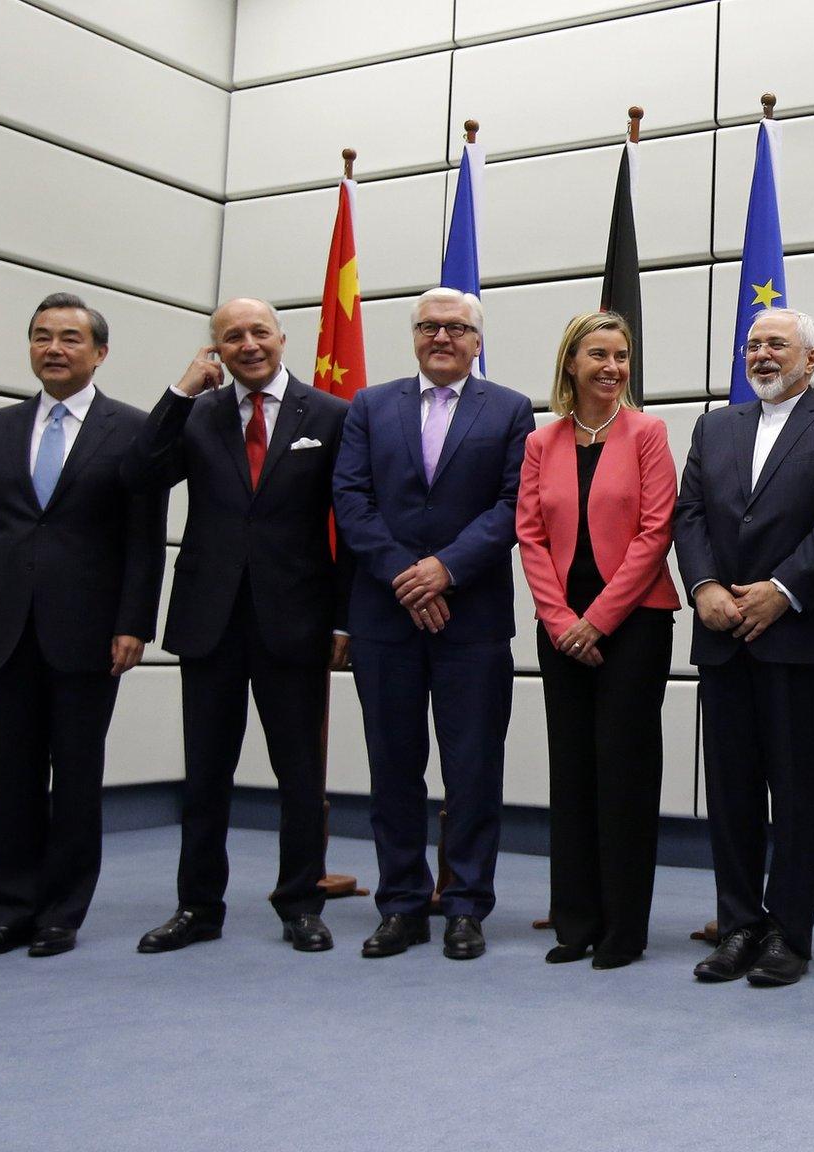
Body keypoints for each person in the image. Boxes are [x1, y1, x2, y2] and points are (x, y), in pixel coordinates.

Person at [125, 298, 352, 955]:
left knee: (300, 776)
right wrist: (177, 391)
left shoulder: (332, 416)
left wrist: (344, 619)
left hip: (297, 621)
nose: (248, 344)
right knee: (205, 774)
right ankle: (198, 907)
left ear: (283, 337)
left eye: (259, 332)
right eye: (232, 337)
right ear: (216, 349)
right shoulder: (197, 414)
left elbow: (351, 527)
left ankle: (300, 904)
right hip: (209, 620)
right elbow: (138, 475)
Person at [0, 292, 166, 958]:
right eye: (42, 337)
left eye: (70, 338)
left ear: (99, 352)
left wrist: (134, 622)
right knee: (11, 774)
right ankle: (11, 910)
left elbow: (144, 539)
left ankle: (60, 913)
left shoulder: (131, 430)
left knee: (75, 774)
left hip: (90, 629)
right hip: (4, 624)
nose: (53, 349)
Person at [331, 286, 535, 961]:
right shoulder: (369, 405)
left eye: (455, 328)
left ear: (478, 340)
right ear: (414, 335)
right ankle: (401, 904)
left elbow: (514, 504)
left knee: (473, 768)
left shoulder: (507, 410)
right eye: (428, 326)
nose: (441, 337)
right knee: (394, 768)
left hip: (470, 617)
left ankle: (467, 905)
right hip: (385, 616)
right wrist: (405, 575)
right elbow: (351, 497)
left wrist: (445, 569)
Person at [675, 308, 814, 987]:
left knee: (797, 794)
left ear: (810, 360)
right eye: (752, 344)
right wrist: (702, 587)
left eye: (775, 344)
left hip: (800, 639)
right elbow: (689, 512)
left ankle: (789, 932)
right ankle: (738, 926)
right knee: (729, 794)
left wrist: (782, 589)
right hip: (722, 635)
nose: (760, 355)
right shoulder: (713, 425)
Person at [516, 311, 679, 970]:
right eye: (598, 355)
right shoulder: (540, 443)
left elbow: (655, 531)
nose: (612, 368)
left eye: (621, 356)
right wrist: (559, 621)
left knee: (624, 774)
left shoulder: (648, 434)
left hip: (634, 625)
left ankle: (622, 930)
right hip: (560, 632)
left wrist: (598, 620)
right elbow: (530, 535)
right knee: (573, 772)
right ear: (571, 364)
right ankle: (574, 920)